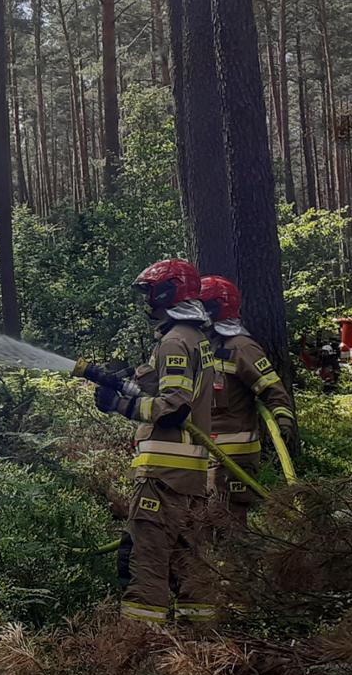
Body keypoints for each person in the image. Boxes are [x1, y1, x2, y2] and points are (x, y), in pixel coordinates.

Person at [97, 258, 220, 625]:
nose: (147, 300)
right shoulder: (197, 340)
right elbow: (179, 391)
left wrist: (119, 404)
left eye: (150, 292)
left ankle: (140, 645)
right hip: (192, 477)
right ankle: (201, 643)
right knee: (190, 563)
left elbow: (173, 409)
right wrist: (127, 382)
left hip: (164, 477)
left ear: (166, 293)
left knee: (145, 561)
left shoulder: (174, 342)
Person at [198, 275, 297, 530]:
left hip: (233, 456)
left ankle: (237, 568)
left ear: (215, 309)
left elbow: (272, 389)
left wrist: (282, 420)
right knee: (207, 525)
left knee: (227, 525)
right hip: (207, 451)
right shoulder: (205, 347)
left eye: (201, 305)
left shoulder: (242, 347)